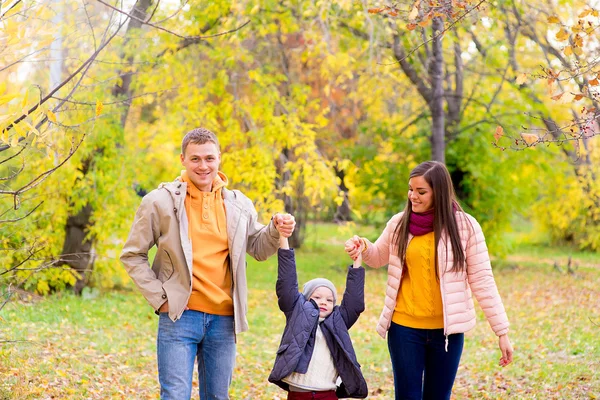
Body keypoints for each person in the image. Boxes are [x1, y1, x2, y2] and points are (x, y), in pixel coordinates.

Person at [120, 127, 296, 400]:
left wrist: (275, 228)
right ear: (182, 159)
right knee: (175, 396)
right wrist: (160, 298)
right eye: (195, 159)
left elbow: (259, 248)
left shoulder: (238, 204)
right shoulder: (159, 201)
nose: (203, 166)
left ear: (219, 158)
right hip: (179, 316)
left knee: (217, 397)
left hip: (224, 321)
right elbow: (132, 254)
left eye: (209, 158)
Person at [345, 161, 513, 400]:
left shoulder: (465, 226)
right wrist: (362, 247)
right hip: (404, 329)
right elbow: (376, 257)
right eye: (411, 189)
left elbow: (482, 279)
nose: (413, 196)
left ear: (439, 192)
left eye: (421, 191)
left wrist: (502, 331)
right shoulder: (399, 223)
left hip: (447, 333)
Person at [268, 233, 368, 399]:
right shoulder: (297, 313)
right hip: (298, 394)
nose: (323, 302)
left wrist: (357, 261)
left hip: (327, 394)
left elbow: (354, 303)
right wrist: (283, 240)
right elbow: (287, 284)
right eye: (317, 297)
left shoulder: (338, 321)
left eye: (329, 300)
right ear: (305, 299)